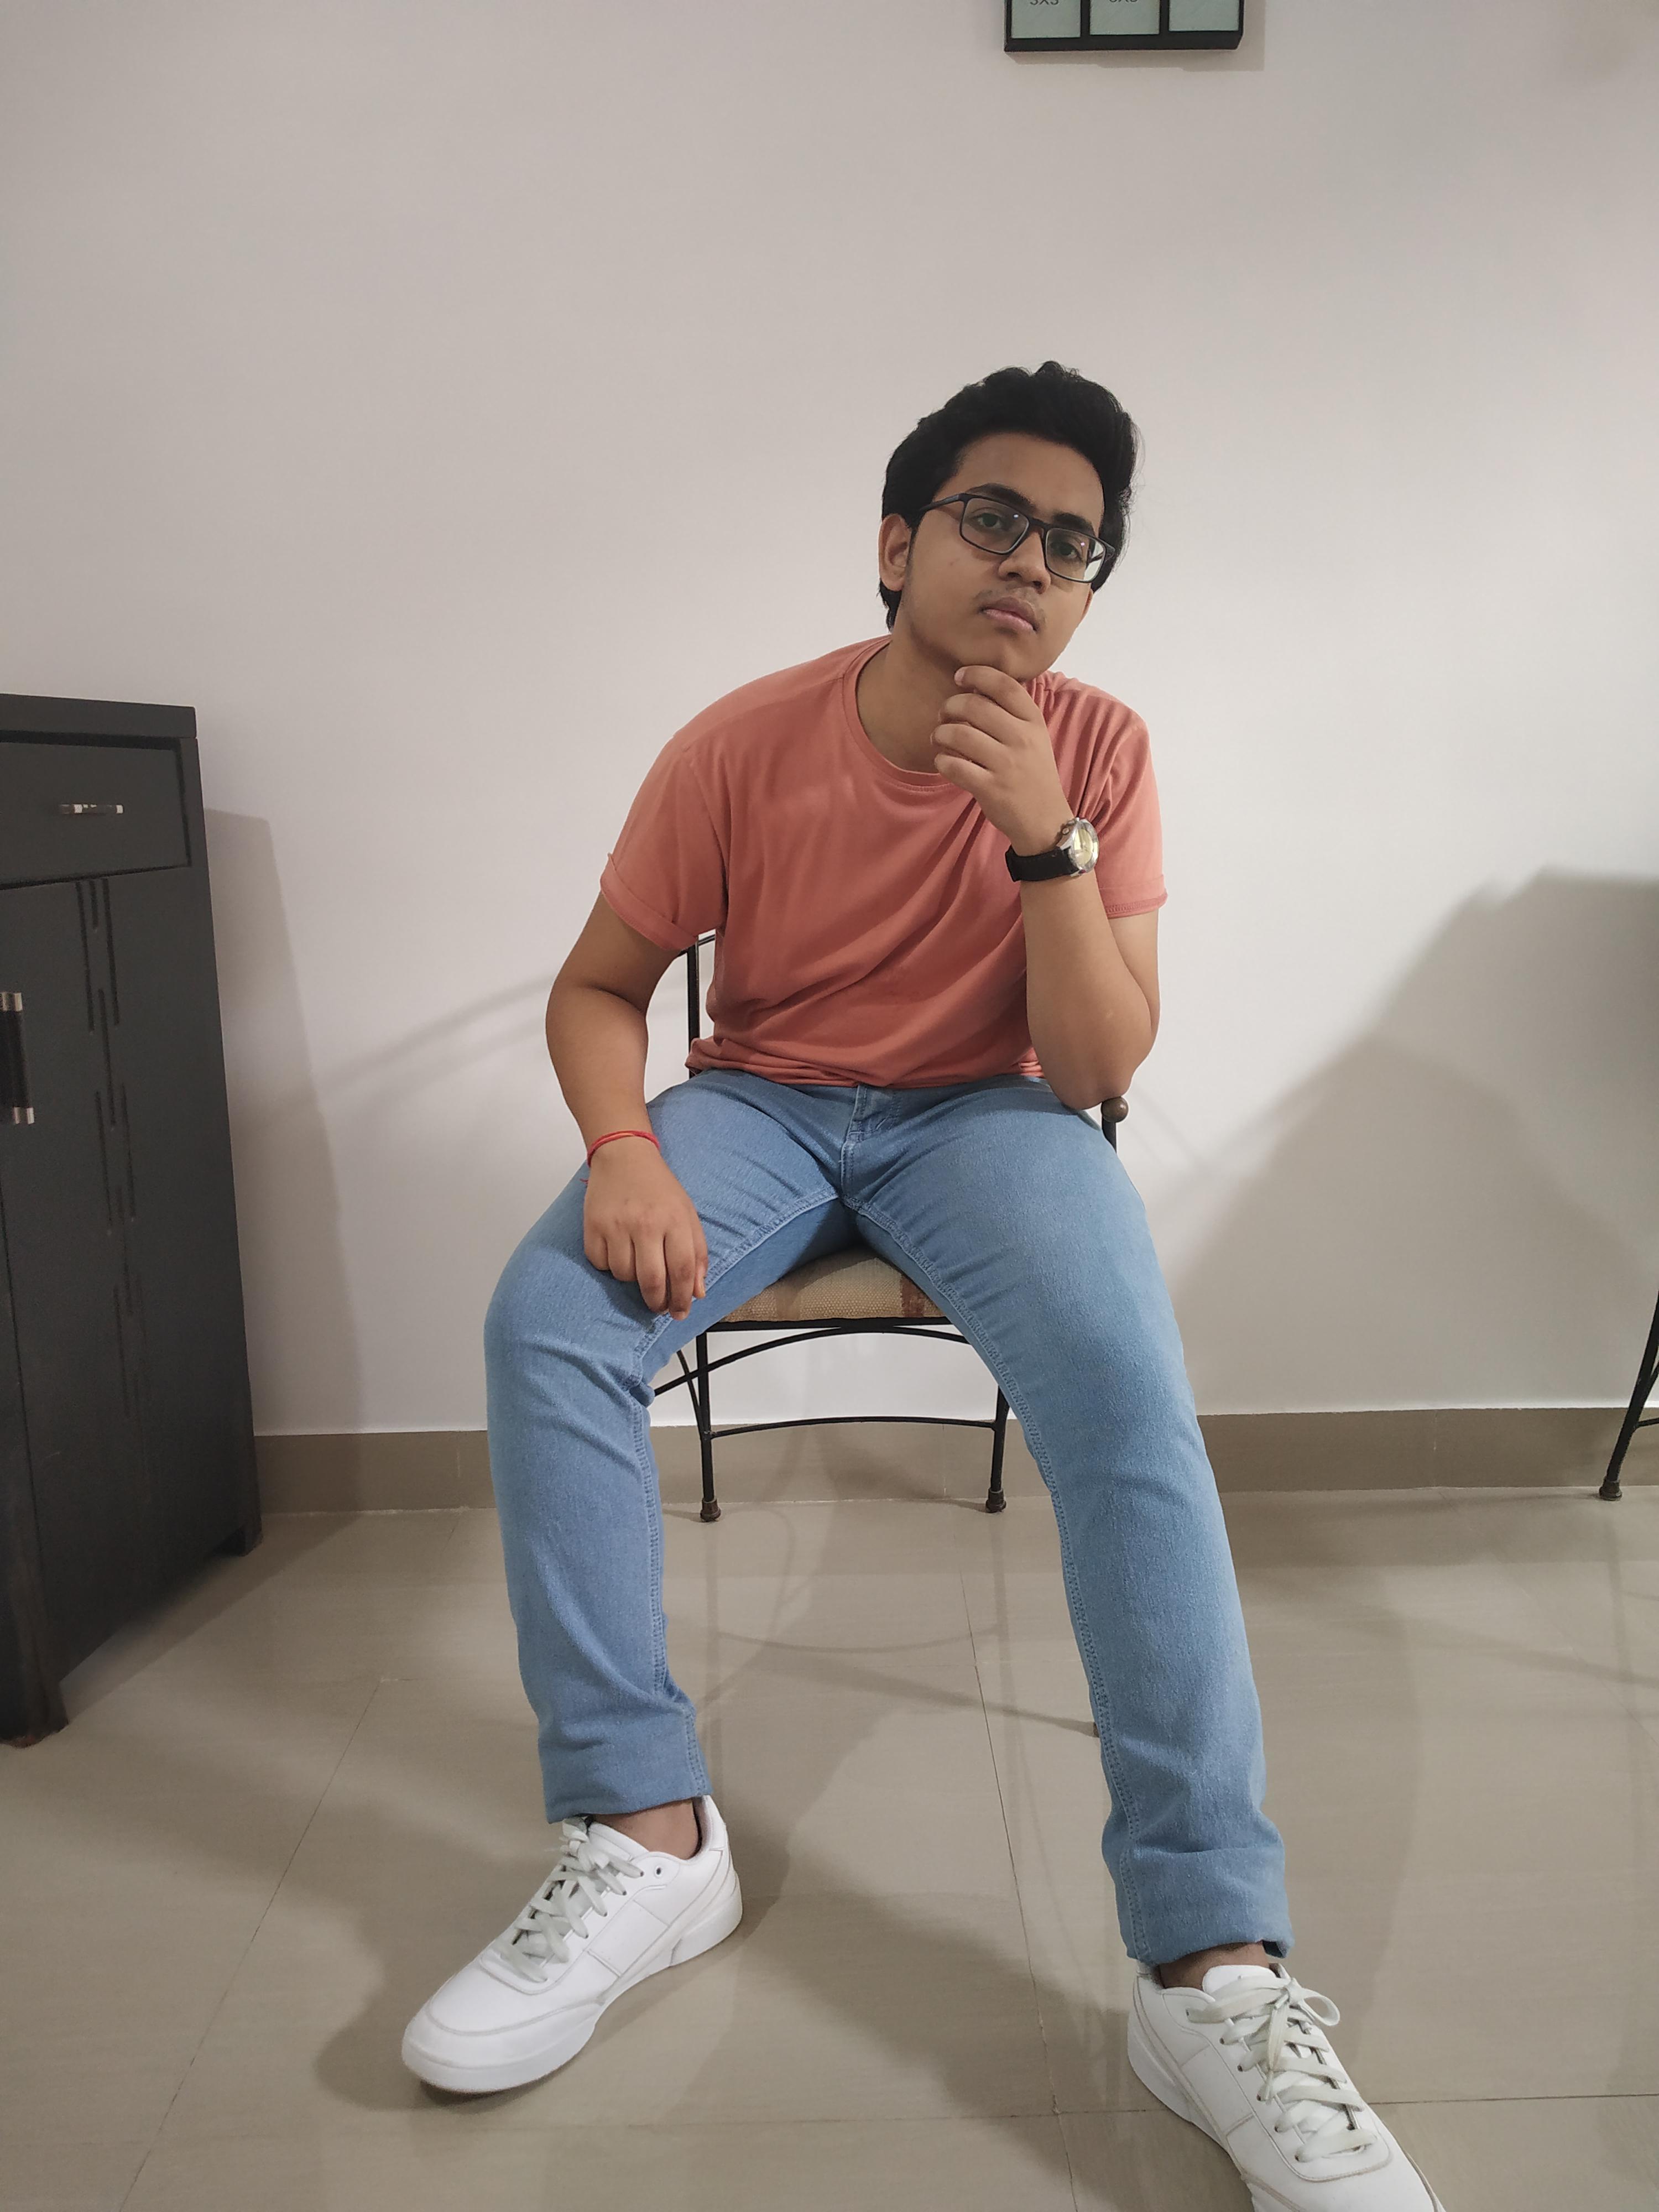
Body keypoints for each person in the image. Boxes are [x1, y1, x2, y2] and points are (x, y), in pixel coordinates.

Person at [403, 362, 1444, 2210]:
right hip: (764, 1102)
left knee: (1126, 1384)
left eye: (1075, 544)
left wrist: (1045, 834)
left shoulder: (1101, 749)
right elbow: (599, 986)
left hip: (993, 1114)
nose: (1032, 563)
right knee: (548, 1319)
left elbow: (1098, 1065)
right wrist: (626, 1148)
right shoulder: (742, 742)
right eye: (993, 519)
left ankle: (1211, 1965)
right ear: (897, 545)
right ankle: (649, 1834)